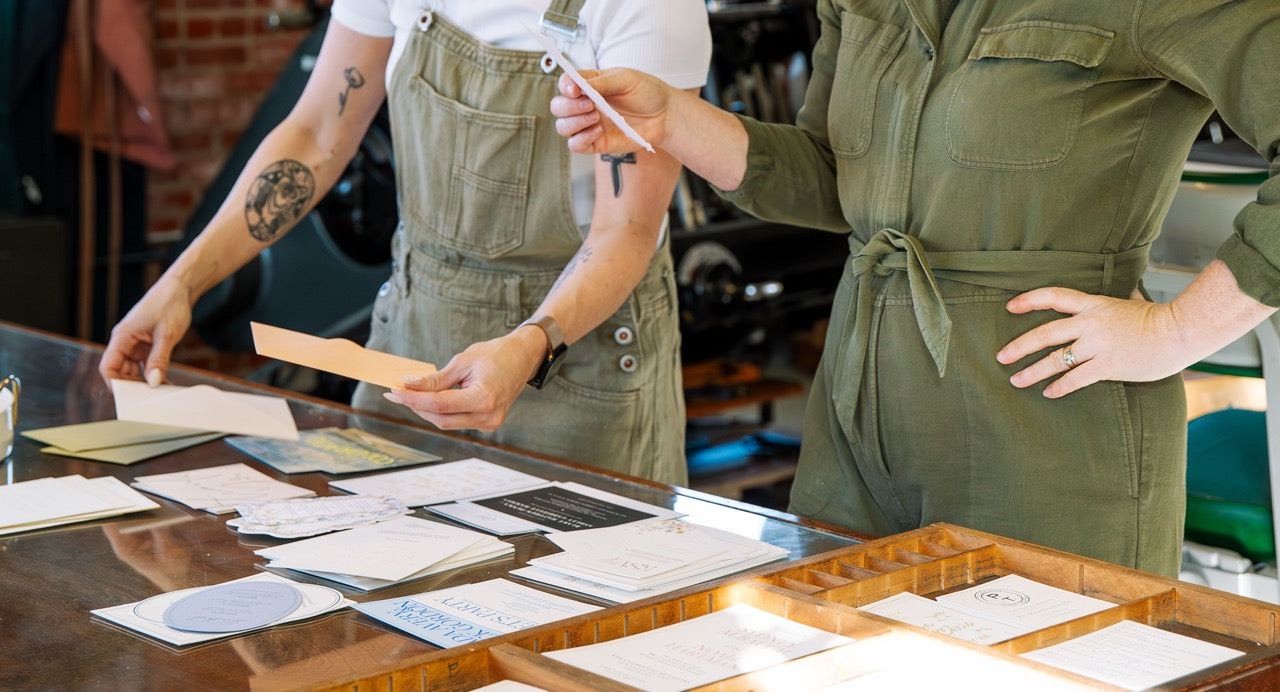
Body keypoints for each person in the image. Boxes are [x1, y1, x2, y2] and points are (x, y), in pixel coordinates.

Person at [552, 0, 1280, 576]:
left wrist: (1176, 332)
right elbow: (835, 178)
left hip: (1046, 439)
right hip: (850, 433)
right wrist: (675, 119)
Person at [98, 0, 712, 486]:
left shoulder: (646, 5)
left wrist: (530, 345)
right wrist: (181, 284)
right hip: (416, 343)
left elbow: (626, 230)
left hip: (576, 358)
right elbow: (317, 133)